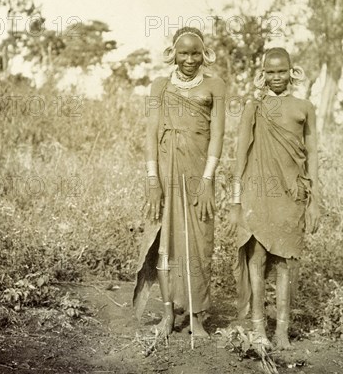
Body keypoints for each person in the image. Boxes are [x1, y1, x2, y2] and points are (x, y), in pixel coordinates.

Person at [133, 27, 225, 338]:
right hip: (165, 171)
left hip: (199, 171)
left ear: (204, 54)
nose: (189, 59)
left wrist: (208, 180)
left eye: (195, 53)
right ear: (173, 53)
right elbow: (150, 133)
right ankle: (168, 315)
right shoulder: (160, 85)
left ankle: (197, 317)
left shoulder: (215, 86)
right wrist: (151, 180)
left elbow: (217, 137)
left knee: (199, 242)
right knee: (167, 243)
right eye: (183, 53)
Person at [227, 47, 321, 349]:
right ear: (262, 73)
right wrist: (236, 201)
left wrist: (314, 200)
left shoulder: (304, 107)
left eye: (282, 71)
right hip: (258, 191)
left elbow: (313, 154)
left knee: (285, 262)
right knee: (257, 257)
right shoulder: (253, 106)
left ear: (291, 71)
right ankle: (258, 327)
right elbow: (240, 153)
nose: (276, 77)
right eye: (271, 72)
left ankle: (282, 329)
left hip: (292, 192)